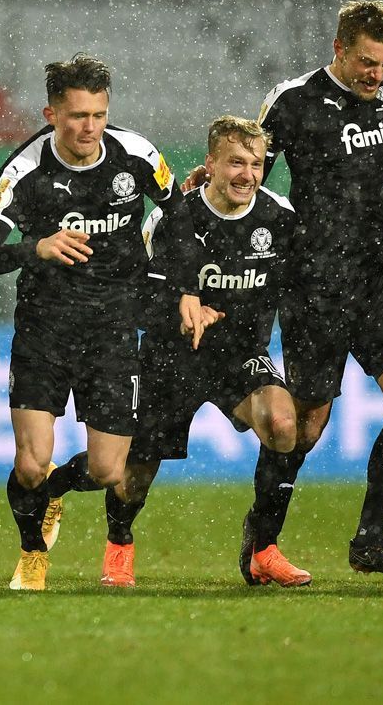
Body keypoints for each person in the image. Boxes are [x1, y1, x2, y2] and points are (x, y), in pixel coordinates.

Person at [0, 53, 206, 591]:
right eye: (77, 116)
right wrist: (37, 246)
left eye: (98, 114)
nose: (90, 128)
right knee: (30, 464)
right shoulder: (24, 171)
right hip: (44, 329)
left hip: (113, 328)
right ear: (51, 113)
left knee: (107, 472)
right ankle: (32, 555)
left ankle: (55, 494)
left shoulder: (137, 155)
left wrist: (186, 288)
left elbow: (181, 217)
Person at [252, 0, 383, 580]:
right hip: (313, 282)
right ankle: (261, 543)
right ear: (339, 50)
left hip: (375, 277)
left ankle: (370, 540)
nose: (377, 76)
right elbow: (253, 175)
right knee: (307, 423)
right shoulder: (292, 100)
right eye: (367, 63)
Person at [106, 116, 305, 589]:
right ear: (210, 163)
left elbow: (305, 287)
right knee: (135, 473)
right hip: (170, 357)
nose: (247, 175)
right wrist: (178, 312)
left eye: (256, 164)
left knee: (282, 425)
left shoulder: (279, 217)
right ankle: (119, 543)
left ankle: (263, 547)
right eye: (236, 162)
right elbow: (135, 294)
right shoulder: (174, 217)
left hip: (239, 355)